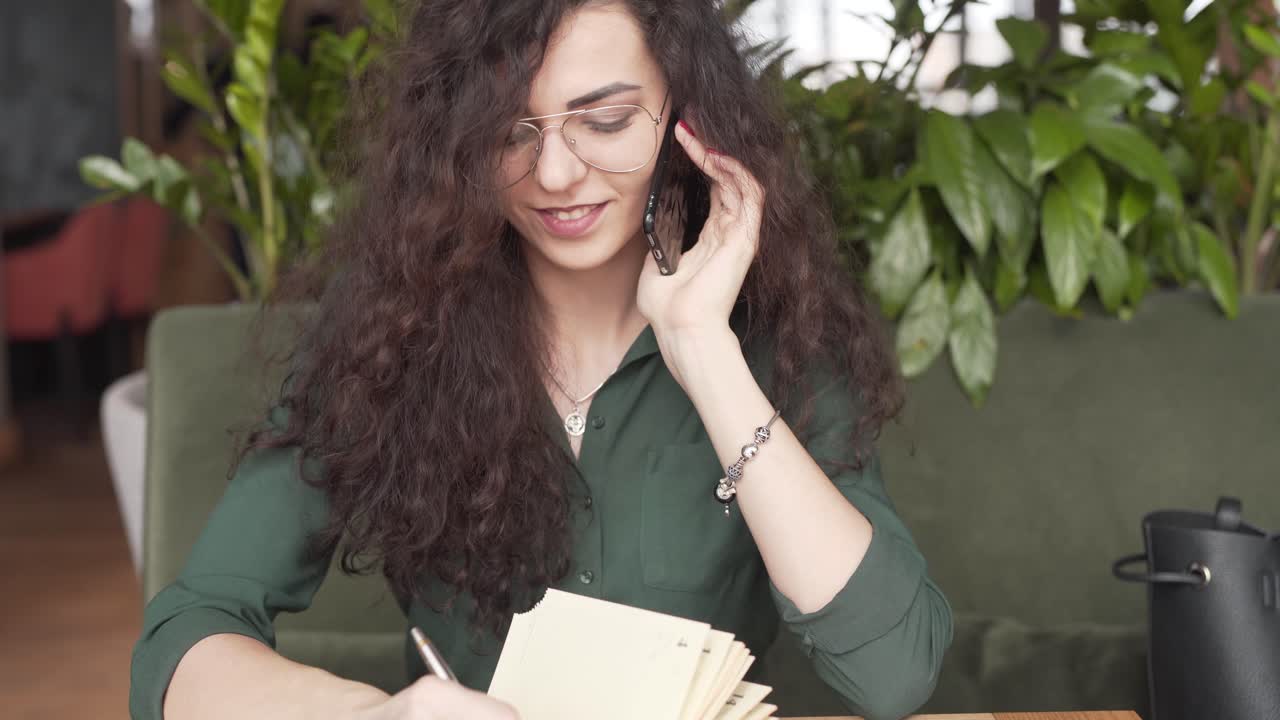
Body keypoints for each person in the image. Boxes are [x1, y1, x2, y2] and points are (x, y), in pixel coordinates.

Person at [129, 1, 954, 719]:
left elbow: (893, 673)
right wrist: (375, 713)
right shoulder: (393, 322)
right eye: (508, 130)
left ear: (685, 117)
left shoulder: (773, 329)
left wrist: (703, 349)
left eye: (606, 121)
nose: (556, 174)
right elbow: (183, 641)